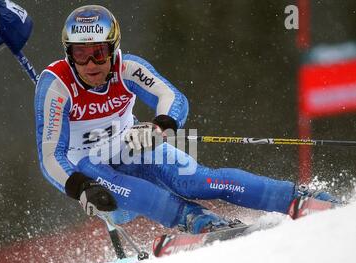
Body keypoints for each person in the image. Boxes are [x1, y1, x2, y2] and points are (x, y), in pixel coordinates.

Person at [34, 5, 338, 234]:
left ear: (113, 50)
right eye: (80, 54)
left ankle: (295, 196)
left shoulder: (127, 69)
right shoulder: (56, 86)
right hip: (88, 164)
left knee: (198, 180)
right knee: (145, 195)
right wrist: (80, 186)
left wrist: (159, 127)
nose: (90, 64)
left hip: (131, 145)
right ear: (68, 53)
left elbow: (173, 98)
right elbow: (51, 156)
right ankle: (198, 220)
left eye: (99, 54)